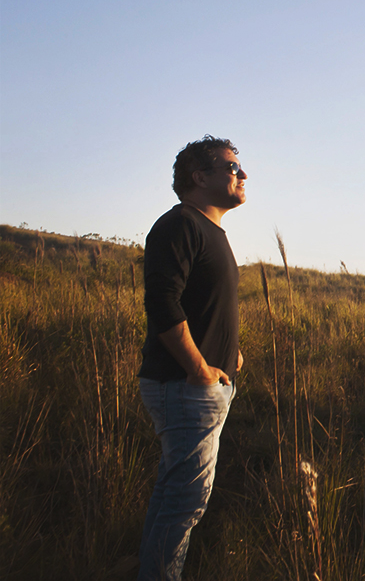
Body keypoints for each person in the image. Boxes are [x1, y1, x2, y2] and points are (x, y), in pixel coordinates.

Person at [137, 136, 248, 581]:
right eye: (231, 167)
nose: (242, 174)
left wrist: (229, 350)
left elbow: (202, 303)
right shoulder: (181, 224)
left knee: (173, 496)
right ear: (199, 177)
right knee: (185, 503)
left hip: (195, 387)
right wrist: (200, 370)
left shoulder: (208, 230)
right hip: (184, 388)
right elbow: (163, 304)